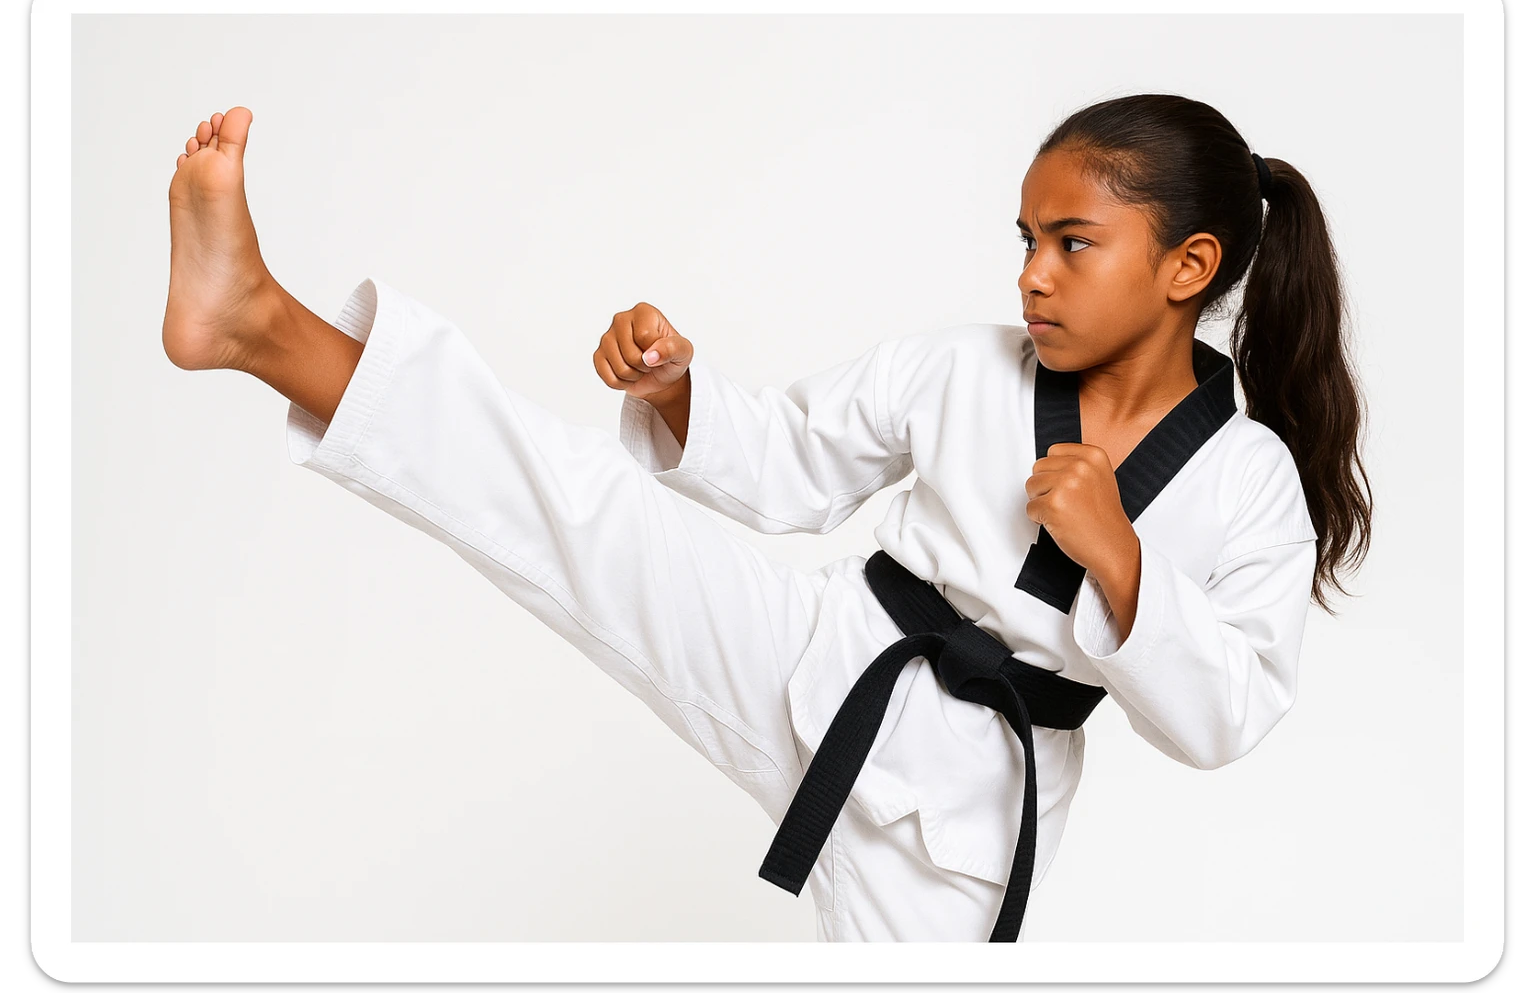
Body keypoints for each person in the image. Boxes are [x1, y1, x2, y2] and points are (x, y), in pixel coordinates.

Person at [160, 95, 1373, 942]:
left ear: (1187, 265)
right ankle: (260, 324)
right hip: (818, 652)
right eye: (1024, 240)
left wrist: (1122, 560)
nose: (1031, 275)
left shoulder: (1247, 477)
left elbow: (1229, 714)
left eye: (1072, 243)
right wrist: (678, 393)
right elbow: (796, 463)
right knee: (581, 510)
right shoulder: (964, 368)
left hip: (960, 820)